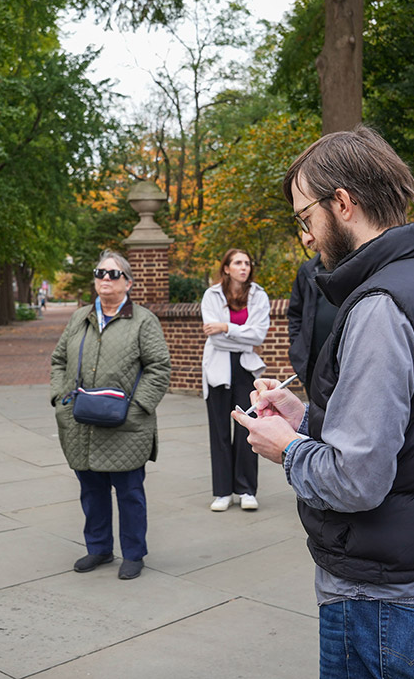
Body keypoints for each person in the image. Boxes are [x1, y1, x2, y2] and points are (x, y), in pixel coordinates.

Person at [233, 127, 414, 679]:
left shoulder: (380, 305)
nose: (306, 237)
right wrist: (303, 419)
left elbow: (357, 480)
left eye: (306, 218)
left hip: (381, 596)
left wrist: (286, 449)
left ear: (342, 204)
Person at [49, 251, 171, 580]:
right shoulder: (79, 318)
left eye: (114, 274)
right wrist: (61, 399)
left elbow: (159, 369)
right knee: (91, 491)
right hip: (81, 423)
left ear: (128, 282)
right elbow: (59, 360)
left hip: (126, 426)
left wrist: (137, 407)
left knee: (130, 493)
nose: (105, 278)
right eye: (100, 272)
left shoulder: (143, 320)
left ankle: (133, 553)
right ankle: (99, 548)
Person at [201, 247, 270, 511]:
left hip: (246, 368)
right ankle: (222, 492)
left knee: (247, 429)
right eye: (238, 263)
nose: (244, 267)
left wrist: (226, 327)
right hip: (217, 369)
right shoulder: (211, 295)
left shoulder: (259, 295)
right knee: (219, 431)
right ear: (226, 268)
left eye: (247, 263)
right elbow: (213, 336)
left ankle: (246, 490)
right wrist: (239, 333)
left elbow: (259, 336)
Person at [287, 252, 337, 384]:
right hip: (314, 365)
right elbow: (295, 313)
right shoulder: (307, 270)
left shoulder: (356, 266)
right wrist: (297, 345)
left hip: (345, 361)